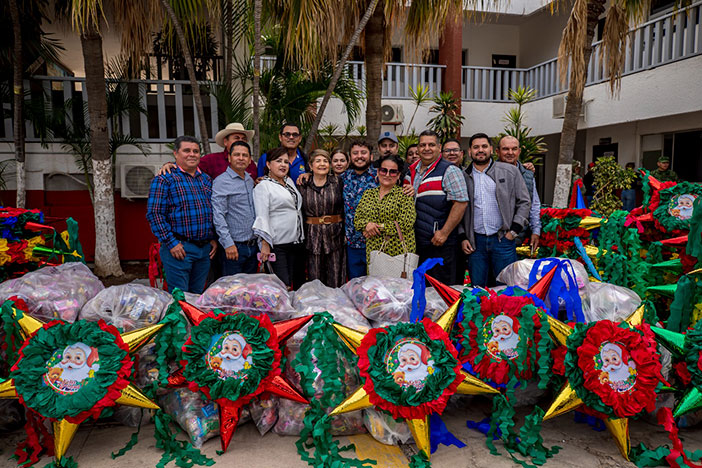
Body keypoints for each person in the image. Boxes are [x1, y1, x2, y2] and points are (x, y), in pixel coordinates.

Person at [147, 135, 217, 294]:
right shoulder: (165, 179)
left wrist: (212, 237)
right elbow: (155, 214)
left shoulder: (206, 180)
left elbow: (212, 211)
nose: (192, 154)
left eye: (196, 151)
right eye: (187, 151)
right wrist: (171, 243)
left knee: (197, 296)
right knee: (180, 298)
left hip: (204, 250)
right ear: (176, 154)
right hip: (179, 248)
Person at [460, 133, 531, 287]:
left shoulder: (509, 171)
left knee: (507, 288)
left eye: (484, 146)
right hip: (475, 243)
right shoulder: (463, 176)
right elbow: (457, 208)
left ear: (491, 149)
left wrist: (513, 231)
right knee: (478, 290)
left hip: (503, 240)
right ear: (470, 151)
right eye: (476, 147)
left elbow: (524, 201)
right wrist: (463, 237)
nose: (480, 150)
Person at [405, 130, 468, 284]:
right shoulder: (411, 171)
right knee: (421, 290)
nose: (427, 148)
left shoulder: (449, 170)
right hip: (418, 244)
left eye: (431, 145)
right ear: (418, 149)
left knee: (441, 291)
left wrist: (444, 232)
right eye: (423, 145)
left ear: (439, 148)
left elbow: (461, 203)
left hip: (440, 243)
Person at [252, 147, 305, 289]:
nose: (283, 165)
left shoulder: (289, 182)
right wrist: (265, 243)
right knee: (282, 287)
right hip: (277, 245)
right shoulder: (263, 186)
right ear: (268, 164)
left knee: (297, 285)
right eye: (278, 161)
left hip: (296, 242)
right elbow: (262, 216)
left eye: (286, 162)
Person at [354, 154, 416, 269]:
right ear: (378, 172)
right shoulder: (368, 194)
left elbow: (405, 223)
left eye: (392, 172)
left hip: (398, 252)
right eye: (384, 170)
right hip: (374, 251)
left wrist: (375, 227)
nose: (387, 175)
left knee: (397, 286)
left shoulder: (404, 194)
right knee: (376, 286)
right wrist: (366, 225)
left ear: (398, 175)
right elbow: (357, 219)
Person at [298, 149, 346, 288]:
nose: (322, 164)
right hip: (313, 235)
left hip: (335, 234)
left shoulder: (338, 182)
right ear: (311, 165)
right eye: (318, 161)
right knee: (315, 276)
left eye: (325, 161)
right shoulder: (303, 184)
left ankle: (336, 307)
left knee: (336, 275)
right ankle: (317, 306)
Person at [212, 141, 258, 276]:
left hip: (253, 246)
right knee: (232, 291)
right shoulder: (221, 181)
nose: (241, 158)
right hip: (234, 247)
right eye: (237, 154)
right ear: (229, 157)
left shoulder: (249, 179)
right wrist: (228, 244)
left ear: (250, 160)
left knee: (250, 291)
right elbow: (218, 215)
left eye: (245, 155)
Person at [157, 122, 256, 180]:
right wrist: (170, 165)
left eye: (243, 139)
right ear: (225, 141)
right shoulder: (211, 160)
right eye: (236, 138)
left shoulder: (250, 163)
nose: (240, 141)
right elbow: (189, 165)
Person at [496, 135, 541, 251]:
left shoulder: (528, 174)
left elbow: (534, 205)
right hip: (494, 238)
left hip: (519, 237)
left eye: (514, 149)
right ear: (497, 152)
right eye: (505, 149)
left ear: (519, 151)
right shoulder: (488, 173)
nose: (510, 152)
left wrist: (536, 231)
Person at [341, 141, 378, 279]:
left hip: (377, 242)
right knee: (356, 285)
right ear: (350, 157)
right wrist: (307, 175)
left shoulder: (380, 176)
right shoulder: (343, 178)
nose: (359, 156)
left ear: (371, 156)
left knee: (377, 286)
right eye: (355, 153)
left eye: (363, 153)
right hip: (352, 243)